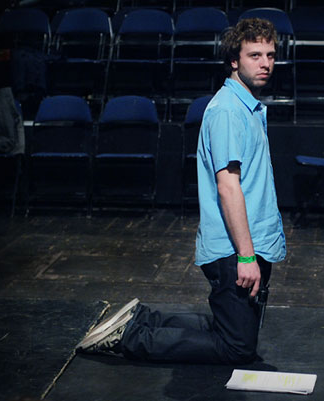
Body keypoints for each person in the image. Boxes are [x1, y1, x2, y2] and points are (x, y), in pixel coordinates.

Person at [76, 18, 286, 365]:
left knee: (234, 332)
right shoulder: (228, 111)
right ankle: (129, 338)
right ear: (234, 60)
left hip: (249, 241)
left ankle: (143, 320)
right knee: (237, 348)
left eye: (270, 55)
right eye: (255, 55)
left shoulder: (245, 106)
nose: (265, 63)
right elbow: (227, 187)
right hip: (234, 248)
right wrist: (247, 257)